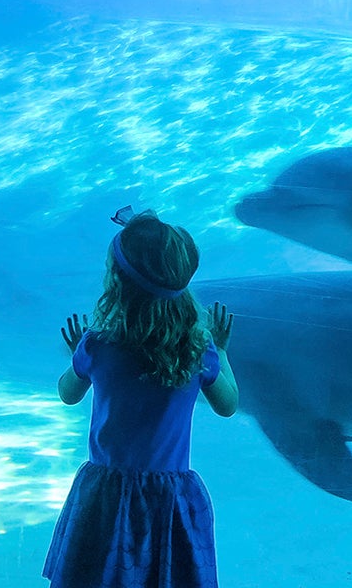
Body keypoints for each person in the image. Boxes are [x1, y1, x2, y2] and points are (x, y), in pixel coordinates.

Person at [43, 207, 238, 588]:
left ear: (116, 282)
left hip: (104, 500)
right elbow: (227, 405)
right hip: (169, 503)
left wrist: (78, 358)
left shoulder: (98, 345)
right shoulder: (198, 351)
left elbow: (67, 394)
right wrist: (224, 353)